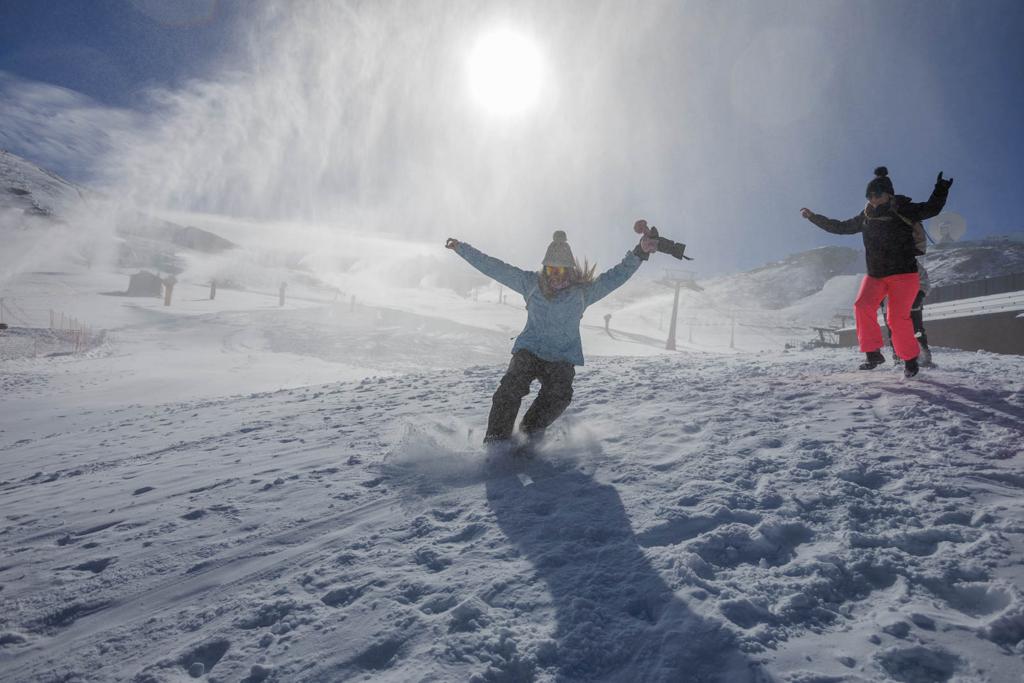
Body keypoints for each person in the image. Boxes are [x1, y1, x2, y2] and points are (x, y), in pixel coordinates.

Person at [446, 223, 657, 445]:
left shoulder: (583, 293)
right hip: (530, 351)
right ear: (544, 269)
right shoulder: (530, 284)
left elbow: (617, 276)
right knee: (509, 389)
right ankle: (497, 441)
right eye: (550, 270)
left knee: (560, 395)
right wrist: (462, 248)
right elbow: (494, 267)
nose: (554, 277)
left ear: (570, 271)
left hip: (561, 357)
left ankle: (529, 433)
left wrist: (640, 252)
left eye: (560, 271)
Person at [801, 167, 953, 377]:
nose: (873, 199)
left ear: (888, 194)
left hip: (904, 274)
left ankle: (909, 359)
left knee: (896, 318)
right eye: (869, 196)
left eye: (877, 194)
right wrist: (813, 217)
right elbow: (839, 227)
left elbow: (931, 208)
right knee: (862, 306)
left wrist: (941, 188)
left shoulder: (903, 209)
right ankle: (873, 353)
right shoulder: (865, 218)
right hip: (876, 275)